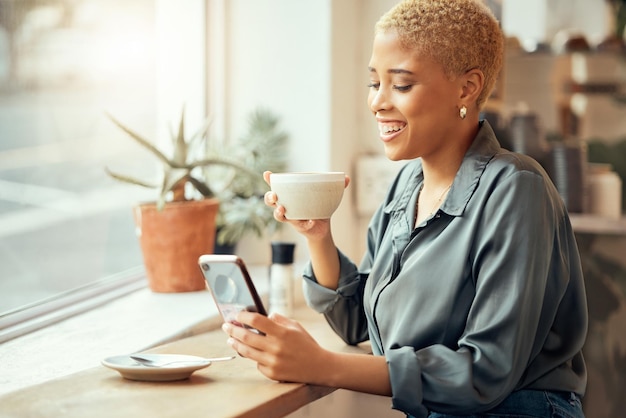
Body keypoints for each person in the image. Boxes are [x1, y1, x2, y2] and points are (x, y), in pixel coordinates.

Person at [221, 0, 588, 417]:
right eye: (374, 83)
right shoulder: (407, 187)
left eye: (401, 84)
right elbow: (360, 323)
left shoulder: (517, 190)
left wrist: (323, 366)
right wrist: (317, 236)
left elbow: (484, 373)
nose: (377, 102)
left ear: (466, 88)